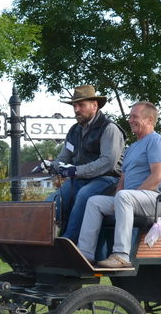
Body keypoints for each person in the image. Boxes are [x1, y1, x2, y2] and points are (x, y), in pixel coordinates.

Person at [77, 101, 161, 268]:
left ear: (150, 120)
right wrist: (118, 197)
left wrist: (128, 197)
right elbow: (122, 181)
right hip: (133, 199)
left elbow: (158, 177)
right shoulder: (131, 148)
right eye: (130, 117)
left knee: (124, 197)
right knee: (95, 202)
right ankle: (85, 254)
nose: (130, 120)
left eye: (135, 117)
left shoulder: (157, 142)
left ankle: (121, 255)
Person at [45, 85, 126, 242]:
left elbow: (107, 163)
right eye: (74, 106)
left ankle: (69, 243)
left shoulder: (109, 129)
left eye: (81, 105)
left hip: (108, 180)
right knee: (52, 202)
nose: (76, 109)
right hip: (80, 180)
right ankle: (40, 241)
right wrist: (51, 165)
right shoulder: (74, 131)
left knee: (84, 196)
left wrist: (75, 171)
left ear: (94, 105)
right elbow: (64, 158)